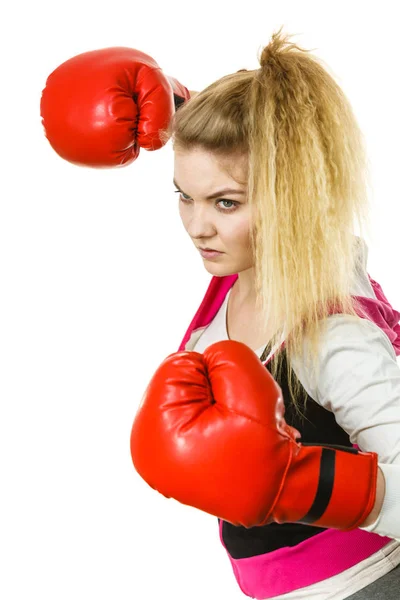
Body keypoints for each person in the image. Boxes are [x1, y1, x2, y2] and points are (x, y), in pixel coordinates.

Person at [41, 27, 400, 600]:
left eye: (225, 203)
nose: (197, 226)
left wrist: (299, 484)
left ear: (293, 198)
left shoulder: (334, 335)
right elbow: (247, 144)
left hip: (364, 584)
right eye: (183, 196)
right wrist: (171, 102)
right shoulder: (237, 273)